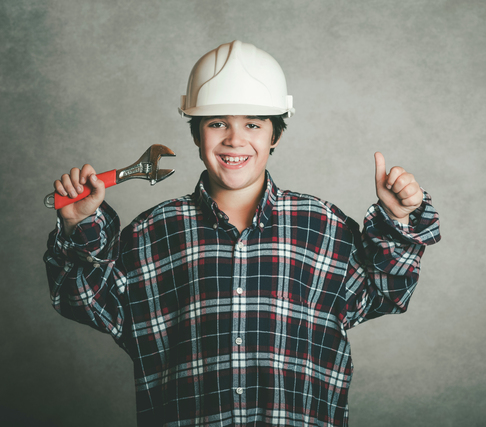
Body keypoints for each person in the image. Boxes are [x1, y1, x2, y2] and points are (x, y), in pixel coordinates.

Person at [44, 40, 441, 427]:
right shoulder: (155, 231)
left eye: (252, 123)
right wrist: (80, 225)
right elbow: (84, 302)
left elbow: (388, 292)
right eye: (218, 123)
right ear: (196, 134)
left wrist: (399, 220)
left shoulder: (323, 226)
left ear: (275, 134)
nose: (234, 139)